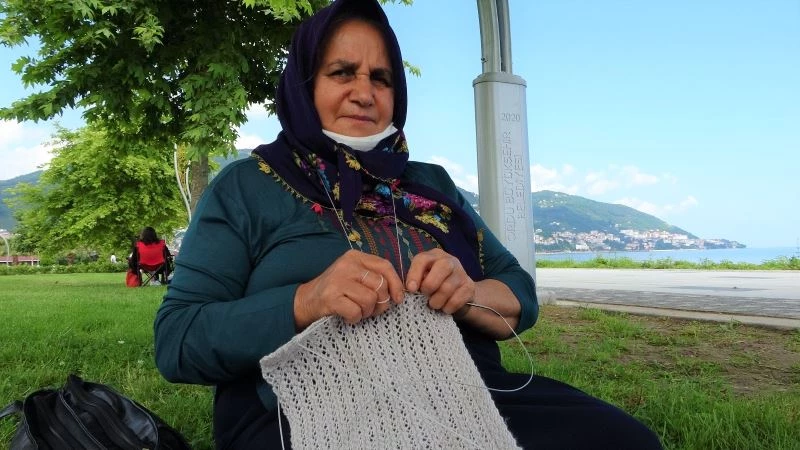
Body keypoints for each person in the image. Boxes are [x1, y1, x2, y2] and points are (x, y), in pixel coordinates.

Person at [154, 0, 662, 448]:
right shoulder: (248, 186)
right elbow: (178, 341)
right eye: (341, 73)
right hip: (305, 410)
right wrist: (306, 300)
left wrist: (467, 293)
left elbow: (520, 297)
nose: (364, 92)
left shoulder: (429, 184)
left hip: (466, 392)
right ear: (305, 85)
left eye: (381, 78)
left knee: (627, 440)